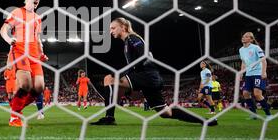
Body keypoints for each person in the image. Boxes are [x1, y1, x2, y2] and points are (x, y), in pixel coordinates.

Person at [90, 18, 218, 126]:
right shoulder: (128, 42)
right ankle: (205, 121)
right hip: (150, 77)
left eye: (113, 28)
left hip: (146, 75)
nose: (110, 31)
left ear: (123, 27)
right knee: (166, 113)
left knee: (109, 79)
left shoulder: (132, 38)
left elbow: (144, 55)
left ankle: (109, 117)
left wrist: (126, 72)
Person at [0, 0, 48, 127]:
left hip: (34, 53)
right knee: (25, 84)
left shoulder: (38, 18)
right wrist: (9, 40)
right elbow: (3, 30)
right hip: (20, 49)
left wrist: (41, 53)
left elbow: (38, 39)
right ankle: (15, 117)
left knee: (39, 87)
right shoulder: (17, 12)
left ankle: (15, 108)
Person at [239, 32, 271, 119]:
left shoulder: (256, 48)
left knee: (257, 94)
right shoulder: (241, 50)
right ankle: (254, 114)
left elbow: (264, 60)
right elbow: (243, 62)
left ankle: (268, 114)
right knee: (245, 93)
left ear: (251, 39)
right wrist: (241, 73)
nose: (243, 37)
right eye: (243, 36)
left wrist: (264, 72)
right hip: (248, 74)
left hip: (257, 73)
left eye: (246, 36)